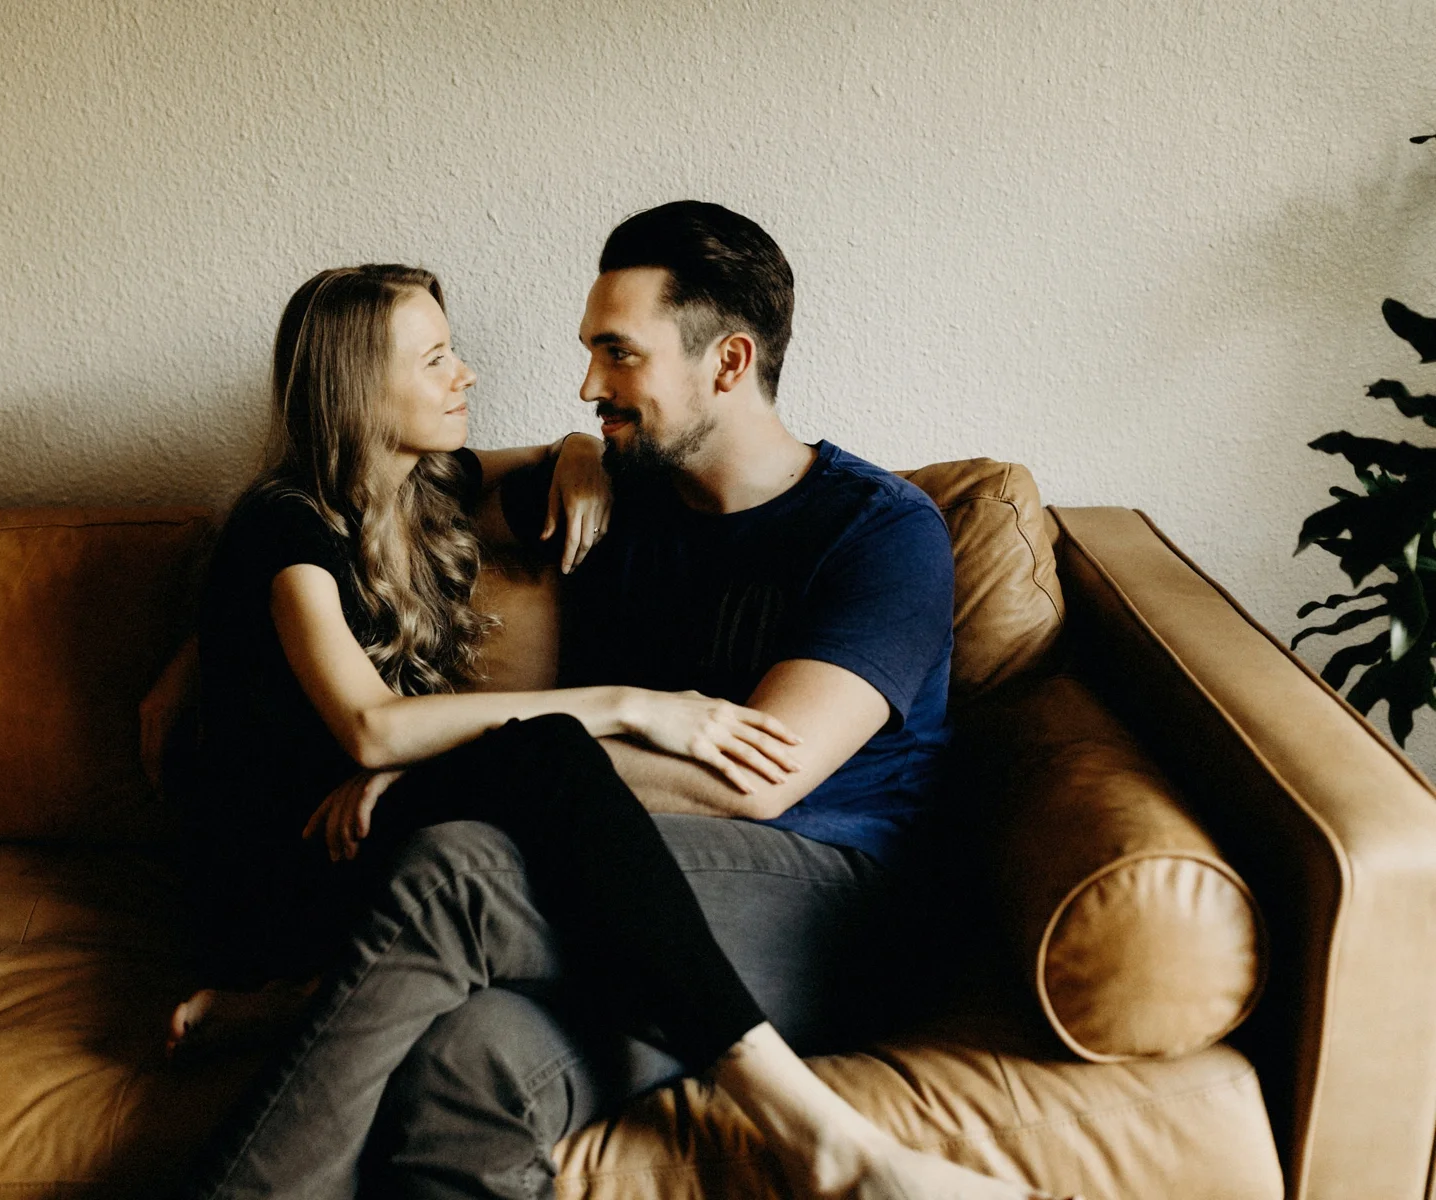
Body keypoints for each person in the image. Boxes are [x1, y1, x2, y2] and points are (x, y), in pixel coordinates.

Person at [168, 212, 1055, 1200]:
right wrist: (573, 454)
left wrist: (441, 771)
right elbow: (369, 505)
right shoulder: (616, 494)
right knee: (464, 1071)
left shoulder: (880, 533)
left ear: (729, 362)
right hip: (623, 882)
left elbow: (751, 785)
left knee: (454, 869)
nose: (589, 385)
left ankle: (830, 1146)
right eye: (591, 351)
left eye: (618, 354)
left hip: (826, 899)